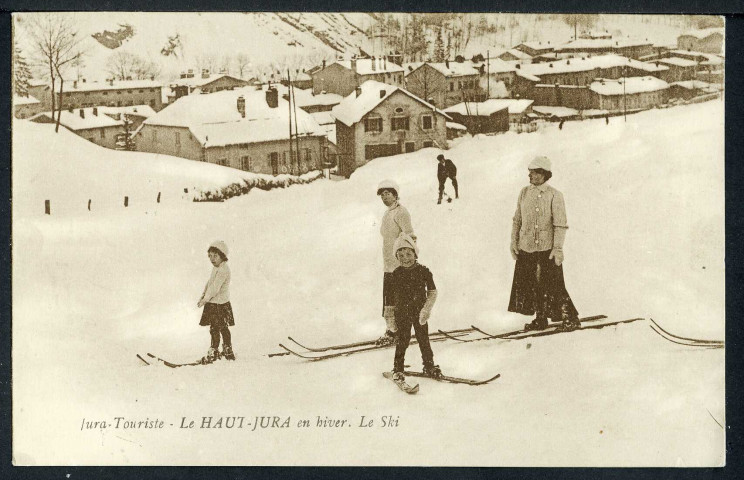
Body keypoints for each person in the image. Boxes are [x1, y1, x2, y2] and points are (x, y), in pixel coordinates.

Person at [508, 156, 580, 332]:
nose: (530, 176)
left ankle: (570, 318)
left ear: (543, 174)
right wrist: (514, 241)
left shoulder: (555, 195)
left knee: (553, 283)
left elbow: (560, 224)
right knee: (532, 284)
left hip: (547, 248)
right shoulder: (524, 192)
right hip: (527, 247)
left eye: (533, 173)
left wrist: (557, 248)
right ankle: (540, 318)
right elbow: (517, 219)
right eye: (530, 173)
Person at [389, 233, 442, 381]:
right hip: (402, 314)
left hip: (419, 313)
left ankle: (429, 366)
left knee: (424, 340)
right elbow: (391, 299)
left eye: (408, 253)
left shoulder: (424, 271)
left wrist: (426, 310)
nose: (405, 258)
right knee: (402, 341)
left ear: (415, 253)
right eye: (400, 255)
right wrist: (390, 318)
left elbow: (432, 292)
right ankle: (398, 368)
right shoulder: (396, 274)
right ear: (396, 257)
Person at [377, 179, 416, 346]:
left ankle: (398, 331)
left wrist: (406, 260)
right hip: (388, 265)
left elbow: (410, 236)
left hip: (400, 266)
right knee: (389, 300)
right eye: (382, 195)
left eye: (388, 194)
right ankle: (392, 330)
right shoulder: (388, 213)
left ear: (395, 195)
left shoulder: (401, 212)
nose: (385, 198)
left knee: (399, 300)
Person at [198, 241, 235, 363]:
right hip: (214, 303)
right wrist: (203, 295)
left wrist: (205, 299)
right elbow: (209, 284)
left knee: (219, 328)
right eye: (210, 256)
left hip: (220, 305)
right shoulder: (216, 268)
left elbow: (215, 288)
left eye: (215, 256)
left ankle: (218, 350)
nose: (212, 259)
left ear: (222, 255)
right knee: (218, 328)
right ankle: (223, 349)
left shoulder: (223, 270)